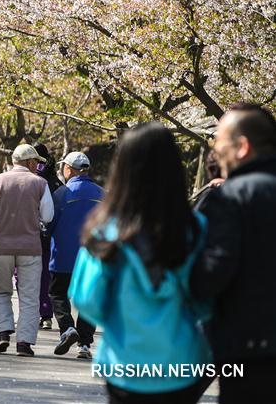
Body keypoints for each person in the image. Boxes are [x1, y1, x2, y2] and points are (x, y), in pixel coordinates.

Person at [71, 122, 211, 402]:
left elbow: (86, 298)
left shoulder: (104, 230)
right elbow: (207, 298)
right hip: (181, 364)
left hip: (124, 362)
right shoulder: (195, 228)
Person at [190, 103, 276, 403]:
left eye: (219, 141)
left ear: (242, 147)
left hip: (249, 350)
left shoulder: (232, 198)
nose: (215, 150)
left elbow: (210, 275)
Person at [0, 144, 54, 357]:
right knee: (29, 297)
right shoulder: (40, 183)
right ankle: (24, 342)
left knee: (1, 292)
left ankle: (3, 333)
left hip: (2, 248)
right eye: (36, 162)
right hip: (31, 248)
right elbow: (47, 216)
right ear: (30, 162)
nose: (37, 166)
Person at [45, 151, 103, 360]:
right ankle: (85, 344)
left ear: (68, 169)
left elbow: (48, 223)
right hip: (92, 258)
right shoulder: (102, 194)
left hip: (63, 257)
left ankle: (68, 328)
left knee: (58, 294)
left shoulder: (61, 194)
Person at [33, 142, 60, 331]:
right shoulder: (55, 181)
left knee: (24, 274)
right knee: (46, 276)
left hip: (30, 232)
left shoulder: (34, 178)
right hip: (51, 235)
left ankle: (33, 312)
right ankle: (45, 314)